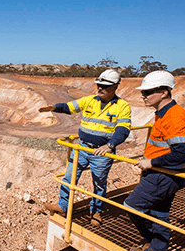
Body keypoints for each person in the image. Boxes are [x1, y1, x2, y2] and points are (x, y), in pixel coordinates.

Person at [40, 69, 131, 226]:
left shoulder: (122, 106)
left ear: (116, 86)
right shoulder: (90, 100)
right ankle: (63, 206)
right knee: (69, 177)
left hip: (101, 152)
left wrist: (110, 145)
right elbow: (70, 107)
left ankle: (96, 211)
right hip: (81, 148)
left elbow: (123, 129)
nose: (100, 88)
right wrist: (54, 108)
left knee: (99, 183)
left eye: (105, 86)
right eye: (99, 85)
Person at [124, 70, 185, 251]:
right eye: (143, 92)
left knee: (132, 206)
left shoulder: (174, 117)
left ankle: (153, 245)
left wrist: (151, 163)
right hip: (165, 174)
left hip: (164, 176)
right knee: (159, 213)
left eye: (148, 92)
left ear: (164, 92)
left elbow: (183, 153)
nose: (143, 96)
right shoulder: (164, 114)